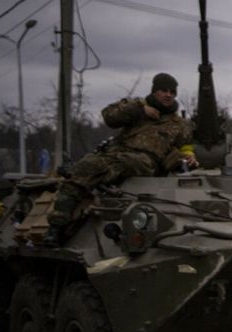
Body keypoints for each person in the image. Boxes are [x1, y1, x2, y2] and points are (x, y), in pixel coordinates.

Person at [44, 73, 196, 247]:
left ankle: (101, 180)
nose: (168, 95)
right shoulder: (137, 107)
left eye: (172, 92)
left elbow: (186, 148)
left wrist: (189, 157)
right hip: (114, 154)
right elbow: (109, 116)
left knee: (117, 165)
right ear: (155, 91)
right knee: (79, 172)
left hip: (144, 162)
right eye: (164, 90)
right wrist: (140, 110)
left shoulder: (180, 125)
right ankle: (55, 228)